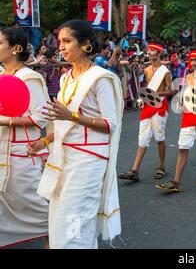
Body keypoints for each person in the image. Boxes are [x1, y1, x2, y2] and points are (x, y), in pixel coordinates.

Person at [28, 20, 124, 249]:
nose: (60, 46)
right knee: (60, 216)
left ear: (85, 44)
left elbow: (111, 124)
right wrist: (44, 141)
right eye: (60, 41)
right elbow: (63, 123)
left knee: (76, 220)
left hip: (88, 160)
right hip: (63, 157)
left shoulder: (101, 78)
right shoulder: (65, 77)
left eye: (67, 41)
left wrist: (72, 116)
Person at [0, 27, 50, 248]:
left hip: (21, 155)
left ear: (16, 49)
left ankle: (58, 234)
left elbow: (40, 117)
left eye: (0, 43)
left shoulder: (29, 77)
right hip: (1, 151)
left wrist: (5, 121)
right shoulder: (2, 76)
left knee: (36, 208)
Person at [155, 48, 196, 192]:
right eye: (192, 60)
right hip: (189, 116)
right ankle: (176, 181)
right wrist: (182, 101)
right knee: (183, 147)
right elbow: (184, 94)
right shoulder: (187, 77)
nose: (194, 63)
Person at [119, 43, 175, 182]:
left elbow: (172, 90)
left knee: (159, 137)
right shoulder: (147, 69)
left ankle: (161, 166)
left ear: (158, 53)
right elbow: (140, 80)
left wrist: (158, 93)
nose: (149, 52)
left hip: (159, 105)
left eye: (152, 50)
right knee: (142, 138)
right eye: (149, 50)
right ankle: (134, 170)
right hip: (148, 105)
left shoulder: (165, 71)